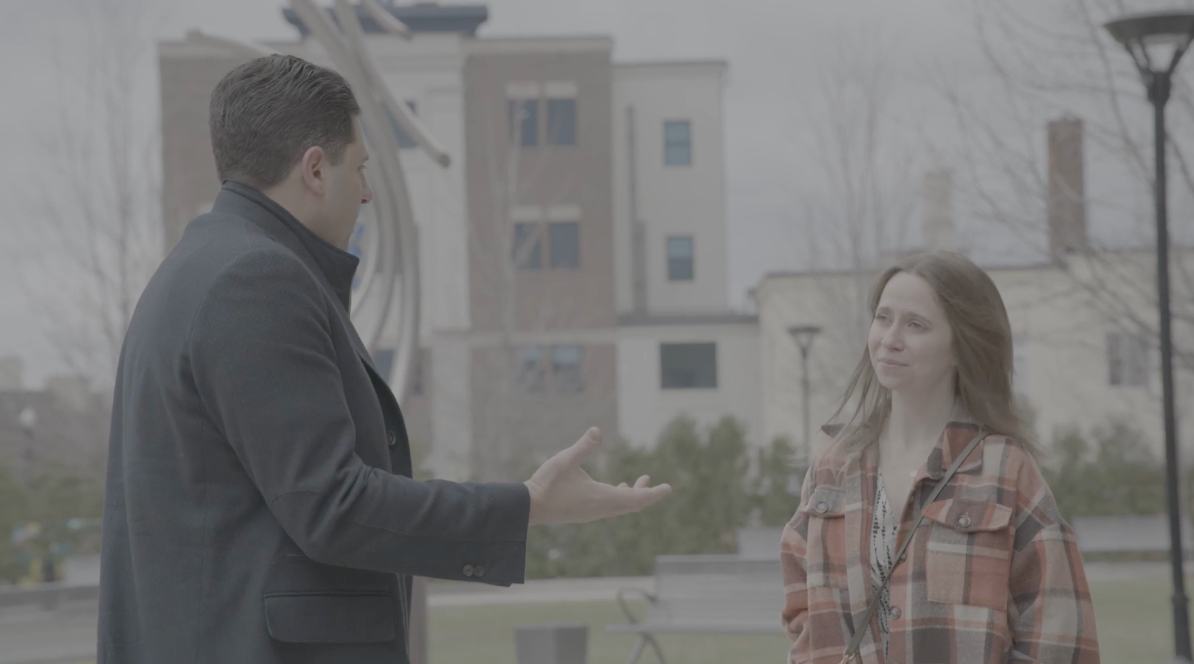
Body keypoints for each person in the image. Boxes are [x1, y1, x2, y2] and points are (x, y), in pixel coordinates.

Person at [97, 54, 670, 664]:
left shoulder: (191, 272)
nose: (367, 193)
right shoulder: (254, 280)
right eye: (360, 168)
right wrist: (528, 504)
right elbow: (333, 506)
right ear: (315, 169)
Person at [780, 251, 1100, 664]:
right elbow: (799, 604)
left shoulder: (1005, 469)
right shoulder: (833, 466)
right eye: (883, 318)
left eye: (916, 324)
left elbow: (1059, 630)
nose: (890, 338)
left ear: (958, 347)